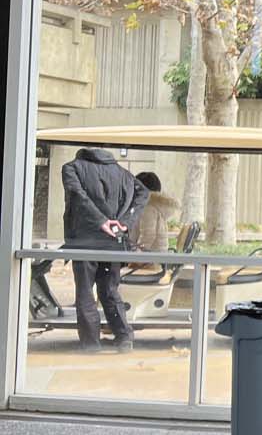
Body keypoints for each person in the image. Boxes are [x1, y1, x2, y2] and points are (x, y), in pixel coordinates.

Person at [61, 147, 148, 353]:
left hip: (83, 241)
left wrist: (101, 221)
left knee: (84, 292)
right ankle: (124, 337)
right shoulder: (122, 172)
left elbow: (77, 195)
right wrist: (125, 223)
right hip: (114, 241)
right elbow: (143, 192)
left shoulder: (71, 168)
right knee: (110, 290)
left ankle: (91, 343)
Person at [131, 172, 179, 254]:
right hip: (157, 254)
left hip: (149, 258)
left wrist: (137, 255)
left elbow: (148, 234)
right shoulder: (156, 206)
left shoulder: (148, 207)